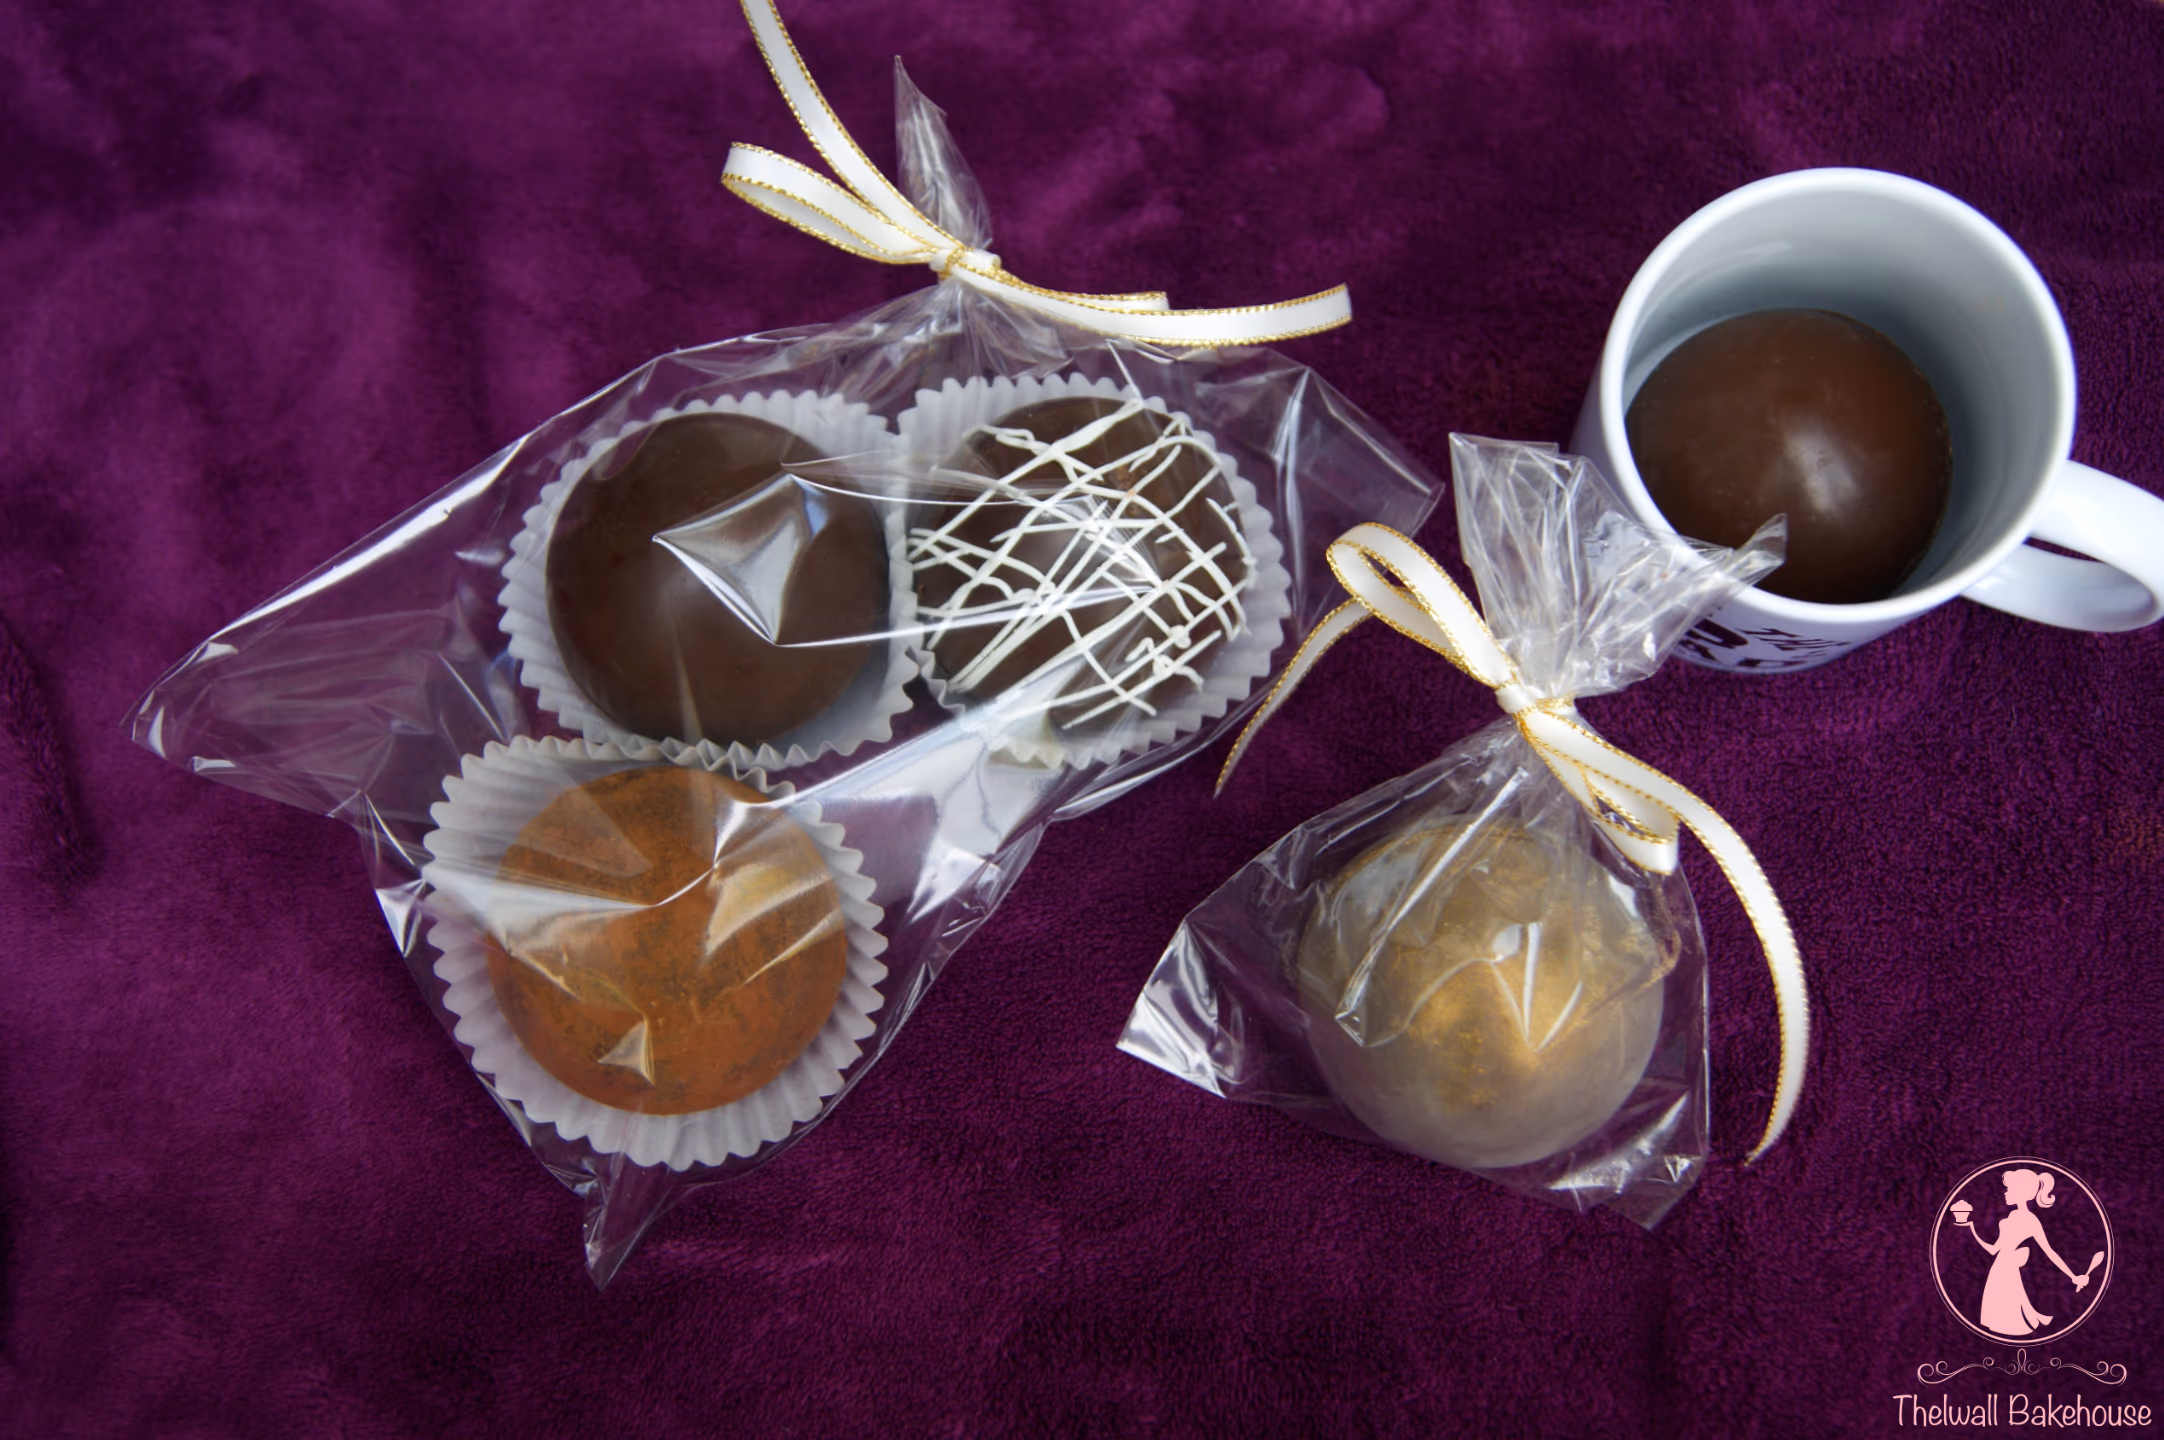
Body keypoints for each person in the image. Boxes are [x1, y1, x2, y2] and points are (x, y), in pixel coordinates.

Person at [1956, 1169, 2087, 1336]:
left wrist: (2073, 1276)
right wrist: (1972, 1230)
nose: (2005, 1193)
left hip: (2008, 1267)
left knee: (2010, 1304)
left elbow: (2049, 1251)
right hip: (1999, 1266)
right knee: (1999, 1305)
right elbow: (1994, 1249)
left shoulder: (2031, 1220)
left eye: (2009, 1189)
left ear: (2021, 1192)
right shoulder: (2010, 1216)